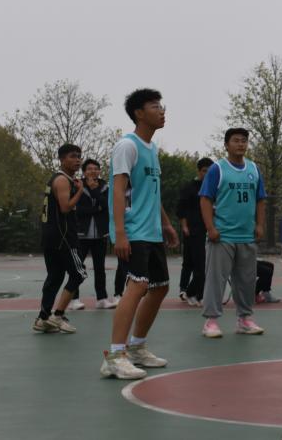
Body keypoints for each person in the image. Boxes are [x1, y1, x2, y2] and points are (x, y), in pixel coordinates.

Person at [100, 89, 179, 380]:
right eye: (155, 106)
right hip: (133, 231)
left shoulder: (152, 149)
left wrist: (166, 224)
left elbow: (151, 193)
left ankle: (136, 347)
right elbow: (118, 191)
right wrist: (120, 232)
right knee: (137, 286)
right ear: (139, 113)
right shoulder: (127, 146)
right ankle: (115, 356)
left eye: (162, 105)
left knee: (160, 288)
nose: (162, 110)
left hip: (152, 231)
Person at [199, 128, 267, 337]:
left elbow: (260, 200)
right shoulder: (217, 169)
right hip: (222, 236)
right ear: (226, 145)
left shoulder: (254, 169)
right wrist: (210, 228)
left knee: (247, 281)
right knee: (215, 281)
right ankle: (211, 322)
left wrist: (260, 225)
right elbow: (205, 199)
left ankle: (244, 319)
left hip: (247, 235)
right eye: (236, 140)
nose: (241, 144)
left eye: (244, 141)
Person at [34, 143, 88, 334]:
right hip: (63, 237)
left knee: (55, 276)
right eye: (73, 156)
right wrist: (80, 191)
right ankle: (58, 315)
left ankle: (43, 318)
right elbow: (65, 208)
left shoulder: (57, 179)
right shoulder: (63, 180)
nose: (77, 160)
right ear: (62, 159)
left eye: (79, 156)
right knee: (79, 274)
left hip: (50, 235)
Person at [70, 158, 116, 309]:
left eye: (96, 169)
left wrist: (95, 190)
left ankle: (101, 299)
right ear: (84, 172)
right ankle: (73, 299)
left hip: (100, 235)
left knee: (100, 268)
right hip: (81, 234)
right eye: (89, 169)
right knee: (77, 268)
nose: (93, 171)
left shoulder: (105, 187)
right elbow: (77, 209)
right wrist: (97, 209)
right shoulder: (77, 185)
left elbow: (107, 205)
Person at [177, 157, 213, 307]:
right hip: (193, 230)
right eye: (204, 171)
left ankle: (195, 294)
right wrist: (184, 226)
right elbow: (181, 209)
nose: (207, 174)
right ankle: (190, 292)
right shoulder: (189, 187)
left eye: (210, 171)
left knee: (202, 264)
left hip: (208, 229)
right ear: (199, 171)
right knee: (193, 262)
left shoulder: (213, 187)